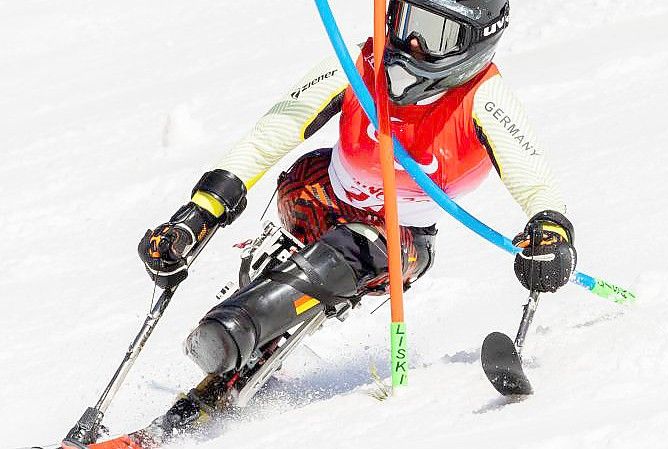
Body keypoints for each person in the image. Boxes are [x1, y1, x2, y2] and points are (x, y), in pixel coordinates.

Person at [85, 1, 577, 448]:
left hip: (396, 239)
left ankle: (236, 333)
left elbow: (537, 184)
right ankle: (247, 345)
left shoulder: (485, 98)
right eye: (406, 22)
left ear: (475, 42)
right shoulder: (358, 64)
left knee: (344, 253)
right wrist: (199, 214)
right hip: (317, 194)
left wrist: (550, 235)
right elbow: (269, 135)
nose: (411, 45)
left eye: (436, 34)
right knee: (289, 257)